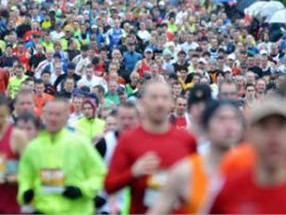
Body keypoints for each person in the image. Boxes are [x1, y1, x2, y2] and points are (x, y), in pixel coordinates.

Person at [104, 81, 197, 214]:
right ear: (143, 103)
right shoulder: (128, 140)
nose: (159, 103)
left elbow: (199, 184)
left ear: (172, 103)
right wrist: (133, 172)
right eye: (153, 97)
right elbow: (109, 185)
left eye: (164, 98)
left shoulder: (187, 140)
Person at [148, 99, 244, 215]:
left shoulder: (252, 169)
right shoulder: (184, 172)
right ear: (206, 126)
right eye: (221, 119)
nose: (229, 126)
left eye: (234, 120)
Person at [17, 98, 107, 214]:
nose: (53, 118)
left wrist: (81, 190)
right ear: (43, 116)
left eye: (58, 114)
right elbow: (25, 177)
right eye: (50, 114)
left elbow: (99, 174)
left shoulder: (80, 143)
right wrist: (25, 192)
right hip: (44, 210)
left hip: (76, 210)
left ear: (67, 117)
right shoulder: (34, 147)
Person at [95, 102, 139, 215]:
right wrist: (95, 196)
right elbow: (88, 171)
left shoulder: (145, 142)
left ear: (138, 120)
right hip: (106, 206)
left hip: (134, 206)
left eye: (130, 118)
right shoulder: (104, 143)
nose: (126, 122)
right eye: (122, 118)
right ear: (117, 120)